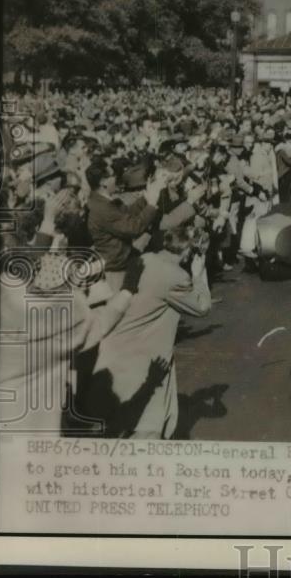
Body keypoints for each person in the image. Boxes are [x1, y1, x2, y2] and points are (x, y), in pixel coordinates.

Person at [88, 223, 211, 439]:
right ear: (187, 251)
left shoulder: (145, 259)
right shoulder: (177, 277)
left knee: (116, 426)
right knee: (147, 429)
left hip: (114, 350)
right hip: (143, 359)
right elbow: (201, 307)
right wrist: (199, 275)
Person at [86, 158, 167, 290]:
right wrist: (151, 204)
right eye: (112, 175)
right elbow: (133, 228)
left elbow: (127, 215)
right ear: (103, 182)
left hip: (123, 260)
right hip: (118, 269)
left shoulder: (102, 201)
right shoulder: (102, 208)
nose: (116, 177)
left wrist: (145, 198)